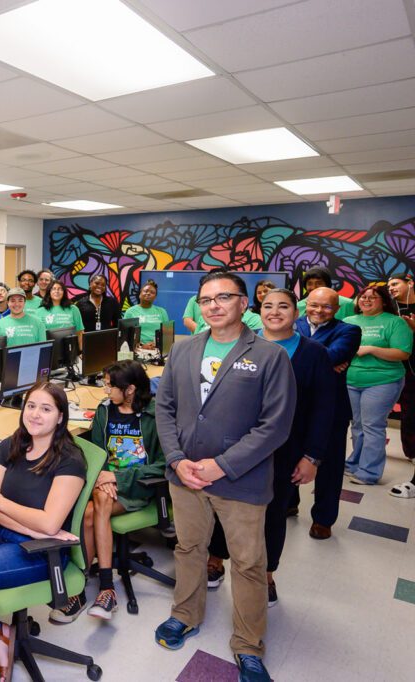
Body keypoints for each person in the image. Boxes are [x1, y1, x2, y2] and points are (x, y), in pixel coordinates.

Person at [153, 271, 296, 682]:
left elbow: (275, 425)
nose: (213, 305)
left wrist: (223, 464)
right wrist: (178, 459)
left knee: (249, 564)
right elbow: (164, 409)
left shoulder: (270, 356)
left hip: (241, 479)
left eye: (223, 297)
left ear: (243, 302)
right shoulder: (183, 350)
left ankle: (248, 645)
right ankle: (185, 614)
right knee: (189, 548)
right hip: (186, 476)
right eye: (205, 299)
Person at [207, 288, 333, 607]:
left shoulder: (313, 353)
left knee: (273, 512)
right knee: (225, 504)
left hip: (285, 448)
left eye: (283, 306)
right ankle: (216, 558)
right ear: (257, 310)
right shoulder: (239, 344)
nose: (275, 312)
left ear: (296, 311)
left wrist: (312, 456)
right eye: (268, 306)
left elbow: (323, 408)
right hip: (235, 445)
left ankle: (267, 574)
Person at [0, 381, 86, 678]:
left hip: (43, 551)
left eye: (45, 409)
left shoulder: (70, 459)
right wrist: (36, 527)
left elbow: (48, 522)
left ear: (60, 416)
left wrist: (7, 507)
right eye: (30, 406)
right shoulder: (12, 444)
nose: (35, 414)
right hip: (14, 534)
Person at [75, 360, 165, 621]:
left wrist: (118, 476)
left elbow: (165, 464)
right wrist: (103, 476)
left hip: (138, 486)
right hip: (105, 484)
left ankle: (104, 587)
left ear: (130, 389)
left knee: (95, 505)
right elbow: (98, 451)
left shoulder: (154, 414)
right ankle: (88, 584)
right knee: (90, 512)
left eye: (110, 386)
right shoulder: (105, 410)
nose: (105, 392)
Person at [295, 287, 361, 537]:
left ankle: (323, 519)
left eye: (326, 306)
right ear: (306, 304)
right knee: (287, 456)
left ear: (336, 308)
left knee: (329, 466)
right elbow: (275, 353)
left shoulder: (348, 330)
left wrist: (297, 355)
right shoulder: (293, 322)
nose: (319, 311)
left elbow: (336, 355)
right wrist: (324, 362)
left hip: (331, 409)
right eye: (314, 305)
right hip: (294, 406)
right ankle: (289, 504)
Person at [343, 284, 413, 485]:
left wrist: (371, 349)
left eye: (372, 297)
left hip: (383, 381)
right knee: (357, 425)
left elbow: (403, 353)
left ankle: (369, 473)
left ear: (383, 301)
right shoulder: (348, 321)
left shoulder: (395, 323)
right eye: (363, 297)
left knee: (372, 426)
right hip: (351, 381)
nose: (366, 300)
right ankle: (354, 464)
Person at [386, 273, 415, 497]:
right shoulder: (391, 310)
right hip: (400, 370)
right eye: (389, 285)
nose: (391, 288)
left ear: (410, 283)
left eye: (395, 283)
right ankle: (411, 453)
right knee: (408, 413)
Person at [124, 279, 169, 349]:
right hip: (136, 350)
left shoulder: (162, 312)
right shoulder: (130, 312)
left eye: (152, 292)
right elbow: (125, 335)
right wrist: (142, 345)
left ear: (155, 297)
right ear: (140, 294)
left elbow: (167, 335)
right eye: (146, 291)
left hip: (157, 349)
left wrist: (156, 343)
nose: (148, 293)